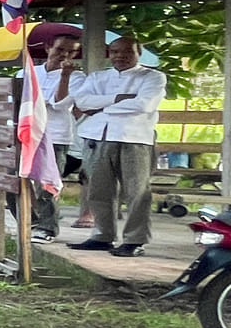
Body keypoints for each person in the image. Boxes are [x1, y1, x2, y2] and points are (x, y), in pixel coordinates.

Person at [65, 35, 167, 255]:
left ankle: (135, 240)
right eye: (115, 52)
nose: (120, 56)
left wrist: (101, 107)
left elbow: (144, 105)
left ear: (139, 53)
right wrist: (120, 98)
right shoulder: (98, 77)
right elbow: (82, 102)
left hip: (134, 139)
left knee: (137, 192)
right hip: (97, 138)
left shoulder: (152, 77)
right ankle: (102, 236)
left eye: (127, 51)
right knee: (98, 190)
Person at [24, 35, 81, 242]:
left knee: (47, 183)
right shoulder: (28, 72)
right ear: (48, 48)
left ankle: (47, 228)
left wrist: (65, 76)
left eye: (71, 51)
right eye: (60, 49)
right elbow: (22, 100)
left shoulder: (77, 77)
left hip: (55, 135)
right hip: (28, 133)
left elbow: (60, 104)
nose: (64, 55)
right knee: (14, 179)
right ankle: (31, 220)